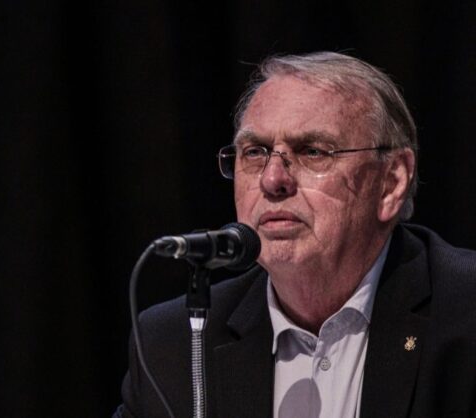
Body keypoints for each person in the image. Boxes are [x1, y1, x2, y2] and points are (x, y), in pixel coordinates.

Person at [114, 52, 476, 418]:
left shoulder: (464, 313)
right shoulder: (175, 344)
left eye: (312, 152)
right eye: (255, 152)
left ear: (391, 182)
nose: (272, 180)